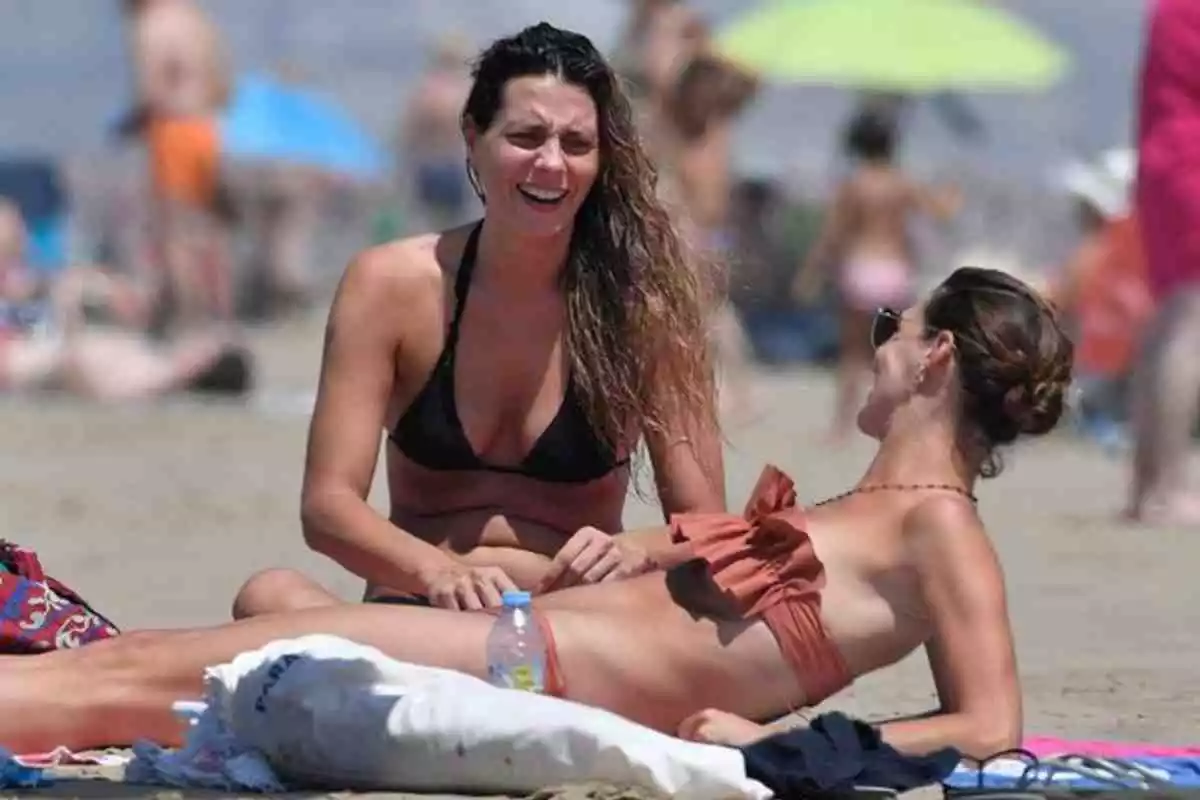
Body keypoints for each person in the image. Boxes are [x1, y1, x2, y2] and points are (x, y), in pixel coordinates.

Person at [0, 266, 1073, 760]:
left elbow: (989, 725)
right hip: (522, 643)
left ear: (934, 355)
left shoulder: (942, 529)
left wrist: (780, 747)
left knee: (148, 675)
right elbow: (703, 584)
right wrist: (628, 548)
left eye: (896, 322)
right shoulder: (881, 507)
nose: (877, 338)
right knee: (213, 641)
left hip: (530, 669)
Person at [231, 23, 725, 619]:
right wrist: (437, 571)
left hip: (574, 630)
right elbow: (329, 507)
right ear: (473, 137)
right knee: (268, 595)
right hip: (420, 616)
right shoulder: (391, 287)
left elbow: (708, 526)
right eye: (526, 136)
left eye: (576, 144)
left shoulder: (639, 309)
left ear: (603, 158)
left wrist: (632, 551)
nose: (550, 163)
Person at [793, 108, 960, 442]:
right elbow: (941, 211)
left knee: (852, 354)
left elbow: (834, 234)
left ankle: (841, 428)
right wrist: (953, 194)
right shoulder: (902, 182)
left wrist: (810, 272)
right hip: (895, 273)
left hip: (859, 270)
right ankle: (898, 424)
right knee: (898, 352)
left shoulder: (854, 184)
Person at [1127, 0, 1200, 524]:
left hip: (1161, 161)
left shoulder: (1169, 8)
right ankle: (1170, 486)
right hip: (1191, 159)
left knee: (1170, 318)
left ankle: (1146, 484)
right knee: (1192, 321)